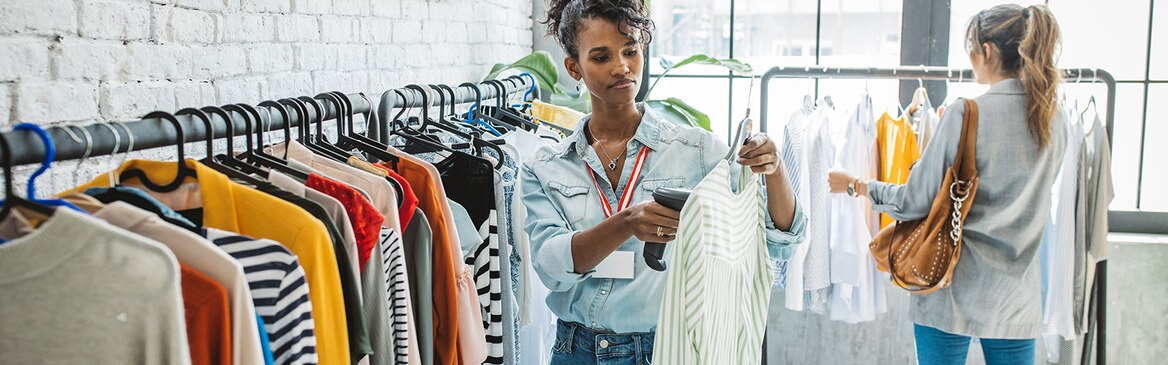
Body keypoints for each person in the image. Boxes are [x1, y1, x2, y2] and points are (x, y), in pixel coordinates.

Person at [521, 0, 806, 363]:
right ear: (573, 67)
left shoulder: (697, 150)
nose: (622, 67)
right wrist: (627, 223)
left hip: (669, 348)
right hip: (576, 351)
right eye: (601, 57)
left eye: (630, 51)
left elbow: (781, 240)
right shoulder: (546, 166)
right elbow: (551, 265)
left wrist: (775, 168)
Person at [828, 4, 1066, 365]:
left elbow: (913, 202)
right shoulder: (1054, 119)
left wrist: (856, 186)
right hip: (1017, 298)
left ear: (987, 50)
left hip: (949, 285)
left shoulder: (966, 112)